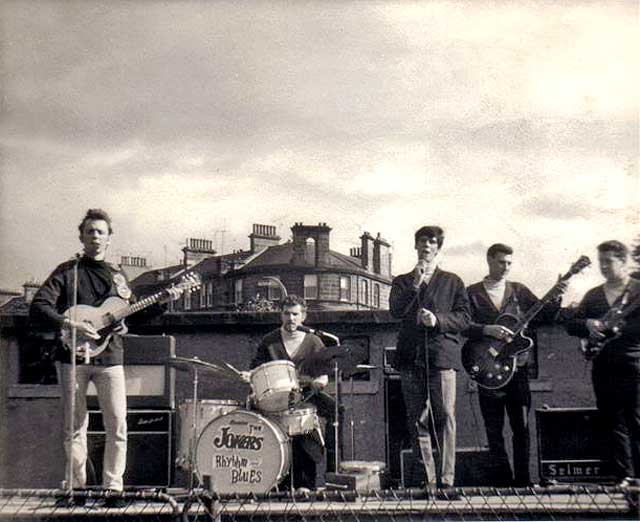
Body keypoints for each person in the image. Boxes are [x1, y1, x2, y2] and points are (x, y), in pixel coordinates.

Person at [29, 209, 186, 507]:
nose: (95, 237)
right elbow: (39, 306)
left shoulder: (118, 275)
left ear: (109, 239)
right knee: (74, 427)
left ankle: (112, 489)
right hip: (72, 356)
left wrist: (163, 301)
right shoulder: (68, 271)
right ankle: (76, 489)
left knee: (118, 425)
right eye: (90, 231)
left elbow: (133, 317)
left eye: (101, 232)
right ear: (81, 236)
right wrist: (71, 325)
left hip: (111, 357)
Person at [465, 243, 563, 487]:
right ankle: (502, 480)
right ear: (489, 261)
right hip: (487, 370)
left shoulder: (519, 291)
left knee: (522, 427)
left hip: (517, 371)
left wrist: (557, 296)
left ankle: (523, 480)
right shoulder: (472, 293)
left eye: (509, 263)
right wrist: (487, 329)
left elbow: (543, 315)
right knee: (494, 430)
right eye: (501, 262)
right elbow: (462, 325)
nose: (506, 267)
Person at [389, 226, 471, 495]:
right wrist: (415, 284)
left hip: (441, 358)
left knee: (445, 416)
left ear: (438, 248)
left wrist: (438, 321)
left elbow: (464, 318)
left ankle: (447, 480)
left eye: (432, 242)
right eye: (422, 241)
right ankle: (429, 480)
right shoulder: (402, 281)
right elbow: (395, 311)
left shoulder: (453, 281)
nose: (426, 245)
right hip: (411, 359)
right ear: (416, 246)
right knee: (417, 420)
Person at [563, 240, 640, 484]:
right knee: (612, 422)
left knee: (637, 421)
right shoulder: (594, 295)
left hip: (634, 365)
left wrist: (619, 327)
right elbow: (571, 324)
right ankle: (625, 477)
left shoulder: (638, 291)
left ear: (624, 261)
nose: (604, 266)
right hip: (604, 367)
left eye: (609, 261)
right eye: (601, 262)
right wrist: (587, 325)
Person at [248, 295, 331, 491]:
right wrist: (249, 376)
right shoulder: (270, 340)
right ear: (281, 315)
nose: (291, 318)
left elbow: (325, 372)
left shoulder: (314, 341)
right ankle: (280, 488)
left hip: (307, 397)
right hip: (276, 400)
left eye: (295, 314)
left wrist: (321, 380)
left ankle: (306, 486)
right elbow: (256, 370)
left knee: (312, 428)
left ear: (303, 316)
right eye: (287, 313)